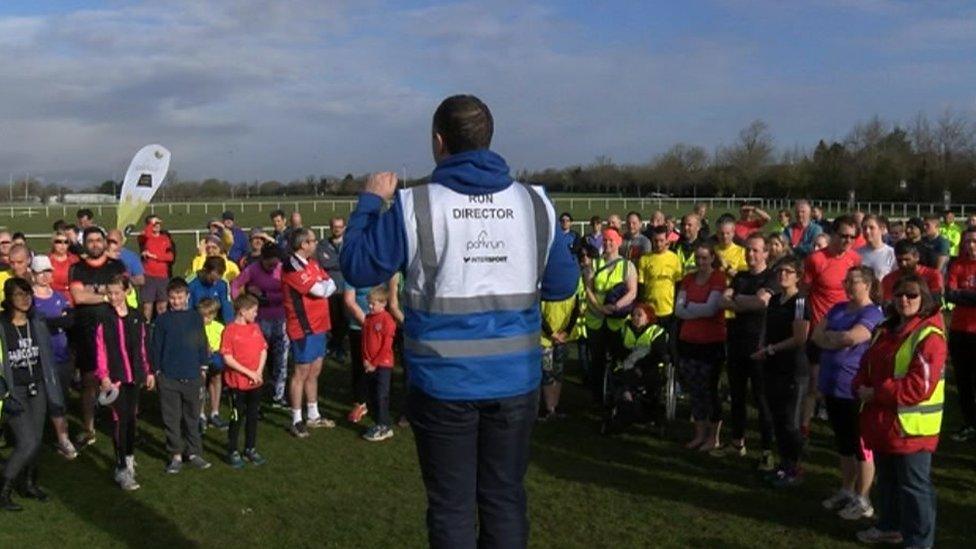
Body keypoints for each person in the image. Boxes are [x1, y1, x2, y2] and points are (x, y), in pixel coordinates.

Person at [339, 95, 577, 548]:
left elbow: (357, 266)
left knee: (451, 507)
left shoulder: (414, 205)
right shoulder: (534, 202)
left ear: (438, 142)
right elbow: (563, 286)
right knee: (504, 500)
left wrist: (370, 202)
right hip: (514, 380)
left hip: (443, 383)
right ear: (489, 140)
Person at [853, 275, 946, 547]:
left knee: (914, 487)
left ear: (924, 298)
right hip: (885, 424)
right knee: (889, 482)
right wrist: (859, 384)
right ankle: (890, 526)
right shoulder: (885, 329)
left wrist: (876, 393)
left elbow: (920, 387)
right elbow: (867, 364)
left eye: (912, 295)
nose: (904, 300)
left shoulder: (929, 336)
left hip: (912, 429)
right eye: (899, 294)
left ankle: (919, 542)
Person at [811, 267, 884, 520]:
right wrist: (833, 338)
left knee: (860, 445)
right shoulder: (838, 308)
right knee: (843, 443)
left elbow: (853, 338)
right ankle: (847, 489)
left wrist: (832, 338)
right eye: (846, 281)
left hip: (854, 388)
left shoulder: (873, 313)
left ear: (867, 284)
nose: (848, 286)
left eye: (853, 281)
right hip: (832, 385)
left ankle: (864, 498)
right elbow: (816, 335)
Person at [0, 278, 64, 511]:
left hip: (37, 387)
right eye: (18, 295)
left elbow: (46, 357)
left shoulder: (36, 321)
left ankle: (28, 483)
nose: (25, 299)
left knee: (36, 440)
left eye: (27, 294)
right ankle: (4, 488)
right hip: (13, 390)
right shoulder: (2, 326)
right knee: (26, 441)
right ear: (9, 299)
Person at [750, 257, 810, 487]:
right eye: (780, 271)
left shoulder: (800, 302)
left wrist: (772, 349)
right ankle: (784, 465)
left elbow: (800, 337)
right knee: (777, 418)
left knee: (791, 421)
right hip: (773, 366)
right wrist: (763, 347)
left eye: (788, 271)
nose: (783, 275)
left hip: (793, 369)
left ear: (798, 275)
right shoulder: (775, 300)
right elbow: (766, 328)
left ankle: (795, 467)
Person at [717, 233, 775, 468]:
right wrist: (743, 300)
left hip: (760, 346)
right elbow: (723, 300)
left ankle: (766, 450)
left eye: (756, 250)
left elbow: (762, 302)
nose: (751, 254)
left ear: (766, 253)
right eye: (748, 250)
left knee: (762, 401)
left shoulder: (771, 278)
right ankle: (737, 443)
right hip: (737, 343)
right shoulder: (740, 276)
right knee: (737, 397)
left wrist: (737, 301)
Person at [802, 215, 862, 435]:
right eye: (843, 235)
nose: (847, 240)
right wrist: (803, 322)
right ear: (833, 235)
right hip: (820, 329)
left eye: (852, 237)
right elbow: (803, 292)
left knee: (843, 382)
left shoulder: (855, 259)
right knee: (814, 383)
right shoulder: (816, 260)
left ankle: (840, 423)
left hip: (845, 330)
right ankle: (804, 426)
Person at [69, 226, 127, 448]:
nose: (94, 244)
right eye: (90, 240)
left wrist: (97, 294)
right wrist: (107, 295)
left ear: (104, 242)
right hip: (87, 332)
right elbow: (78, 297)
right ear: (85, 244)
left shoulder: (116, 266)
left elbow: (124, 292)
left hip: (113, 330)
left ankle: (120, 426)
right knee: (89, 382)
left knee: (117, 380)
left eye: (98, 240)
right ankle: (88, 428)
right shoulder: (77, 268)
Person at [94, 275, 153, 491]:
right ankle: (121, 469)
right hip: (115, 378)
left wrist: (148, 372)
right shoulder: (103, 317)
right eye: (109, 293)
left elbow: (143, 346)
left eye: (117, 293)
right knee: (119, 421)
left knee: (131, 419)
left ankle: (129, 457)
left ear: (127, 291)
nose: (113, 297)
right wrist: (104, 376)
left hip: (134, 377)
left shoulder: (136, 317)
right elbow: (100, 349)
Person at [150, 277, 212, 474]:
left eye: (180, 297)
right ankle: (175, 454)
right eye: (172, 298)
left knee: (192, 417)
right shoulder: (162, 320)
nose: (176, 301)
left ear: (187, 296)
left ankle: (193, 452)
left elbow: (202, 342)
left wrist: (203, 367)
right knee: (171, 418)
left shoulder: (195, 317)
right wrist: (157, 371)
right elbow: (156, 347)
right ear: (168, 298)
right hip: (169, 377)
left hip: (193, 376)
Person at [282, 227, 337, 437]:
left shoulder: (312, 263)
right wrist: (324, 286)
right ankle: (296, 419)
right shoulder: (291, 266)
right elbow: (321, 290)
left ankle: (313, 415)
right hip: (303, 327)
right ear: (303, 244)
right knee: (300, 373)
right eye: (313, 241)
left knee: (315, 370)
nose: (316, 244)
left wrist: (325, 285)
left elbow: (329, 283)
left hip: (320, 325)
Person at [676, 243, 727, 452]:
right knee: (695, 390)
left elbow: (711, 309)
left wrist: (690, 307)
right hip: (689, 341)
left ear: (712, 258)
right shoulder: (688, 279)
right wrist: (696, 309)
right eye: (697, 258)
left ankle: (713, 437)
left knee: (710, 390)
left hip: (711, 342)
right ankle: (699, 433)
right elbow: (678, 309)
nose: (700, 262)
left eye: (705, 258)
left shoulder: (718, 278)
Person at [30, 255, 76, 460]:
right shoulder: (30, 299)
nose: (46, 275)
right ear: (33, 274)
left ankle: (62, 438)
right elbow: (38, 324)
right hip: (41, 357)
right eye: (41, 272)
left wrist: (53, 322)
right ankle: (39, 438)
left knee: (61, 398)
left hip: (62, 354)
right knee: (41, 400)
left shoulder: (58, 296)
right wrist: (57, 321)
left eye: (48, 271)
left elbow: (70, 320)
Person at [583, 227, 638, 401]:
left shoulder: (627, 266)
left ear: (618, 242)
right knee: (597, 360)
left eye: (611, 240)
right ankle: (598, 396)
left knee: (618, 359)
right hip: (597, 319)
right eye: (605, 240)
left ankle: (618, 393)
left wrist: (615, 306)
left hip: (617, 321)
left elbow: (632, 292)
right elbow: (588, 290)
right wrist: (600, 308)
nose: (607, 243)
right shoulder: (594, 264)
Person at [231, 243, 288, 408]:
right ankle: (256, 390)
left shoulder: (282, 269)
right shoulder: (252, 269)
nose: (273, 266)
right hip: (260, 320)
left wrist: (265, 295)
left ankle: (279, 394)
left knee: (281, 357)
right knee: (257, 357)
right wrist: (241, 307)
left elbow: (287, 291)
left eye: (275, 262)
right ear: (262, 258)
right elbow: (235, 285)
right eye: (270, 262)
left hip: (281, 318)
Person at [221, 293, 268, 468]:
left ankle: (250, 448)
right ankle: (232, 449)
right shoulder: (230, 330)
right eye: (253, 311)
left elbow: (263, 349)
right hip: (237, 384)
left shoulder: (255, 328)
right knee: (236, 417)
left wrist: (258, 371)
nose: (256, 314)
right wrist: (249, 373)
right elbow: (228, 358)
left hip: (255, 382)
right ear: (242, 311)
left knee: (253, 416)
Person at [946, 227, 976, 442]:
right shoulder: (957, 265)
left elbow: (958, 294)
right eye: (967, 242)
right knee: (963, 381)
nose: (971, 246)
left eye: (974, 241)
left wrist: (963, 296)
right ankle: (969, 423)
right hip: (958, 332)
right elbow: (950, 294)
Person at [361, 286, 398, 442]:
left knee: (381, 395)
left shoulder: (387, 320)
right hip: (370, 364)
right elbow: (364, 341)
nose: (370, 306)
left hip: (383, 364)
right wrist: (365, 358)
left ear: (383, 303)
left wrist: (374, 363)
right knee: (373, 395)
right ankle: (378, 423)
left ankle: (384, 425)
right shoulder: (368, 318)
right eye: (369, 303)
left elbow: (386, 346)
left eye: (373, 303)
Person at [637, 225, 682, 335]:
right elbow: (641, 287)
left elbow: (678, 285)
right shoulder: (644, 259)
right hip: (650, 312)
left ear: (667, 241)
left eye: (661, 240)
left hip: (669, 311)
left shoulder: (674, 259)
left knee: (670, 346)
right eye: (655, 240)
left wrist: (677, 308)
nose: (658, 244)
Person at [316, 217, 348, 360]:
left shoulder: (349, 244)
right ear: (330, 227)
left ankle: (339, 346)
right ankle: (335, 345)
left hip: (347, 288)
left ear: (344, 227)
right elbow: (323, 262)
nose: (337, 229)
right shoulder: (323, 245)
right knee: (333, 319)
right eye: (335, 226)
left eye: (340, 227)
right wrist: (341, 263)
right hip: (330, 289)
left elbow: (349, 262)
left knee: (345, 318)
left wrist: (333, 263)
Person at [343, 281, 375, 424]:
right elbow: (349, 301)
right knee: (360, 365)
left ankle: (379, 400)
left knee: (381, 363)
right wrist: (368, 325)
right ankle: (360, 402)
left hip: (381, 326)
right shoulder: (353, 272)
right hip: (359, 326)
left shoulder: (382, 269)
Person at [196, 298, 226, 434]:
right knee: (201, 385)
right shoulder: (195, 328)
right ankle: (200, 414)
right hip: (200, 361)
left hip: (216, 359)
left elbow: (224, 345)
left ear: (214, 315)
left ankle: (215, 412)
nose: (205, 319)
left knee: (216, 380)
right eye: (202, 316)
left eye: (208, 316)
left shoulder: (219, 327)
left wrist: (217, 351)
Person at [880, 240, 943, 305]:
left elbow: (936, 302)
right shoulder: (888, 279)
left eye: (907, 260)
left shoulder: (933, 275)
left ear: (917, 257)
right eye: (899, 260)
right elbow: (887, 304)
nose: (903, 264)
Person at [138, 215, 175, 320]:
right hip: (148, 276)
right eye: (154, 224)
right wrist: (151, 224)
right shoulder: (144, 238)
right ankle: (146, 328)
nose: (157, 226)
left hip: (162, 276)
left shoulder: (165, 239)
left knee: (162, 306)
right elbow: (145, 235)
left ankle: (161, 327)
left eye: (158, 223)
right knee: (147, 306)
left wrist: (154, 256)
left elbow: (170, 256)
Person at [857, 214, 896, 281]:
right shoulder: (857, 253)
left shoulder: (891, 253)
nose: (867, 231)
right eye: (864, 228)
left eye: (871, 228)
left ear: (882, 229)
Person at [48, 232, 78, 301]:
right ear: (53, 243)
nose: (62, 245)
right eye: (58, 242)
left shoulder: (75, 260)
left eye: (66, 242)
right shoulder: (47, 260)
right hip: (52, 296)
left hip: (71, 297)